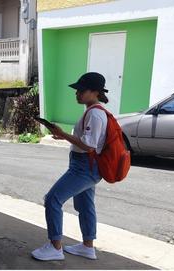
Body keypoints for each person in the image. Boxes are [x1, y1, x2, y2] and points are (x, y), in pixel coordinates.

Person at [31, 72, 110, 261]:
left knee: (52, 199)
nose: (77, 94)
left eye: (81, 90)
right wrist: (63, 135)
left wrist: (64, 135)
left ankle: (55, 247)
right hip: (85, 165)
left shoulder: (96, 114)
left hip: (85, 167)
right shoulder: (92, 111)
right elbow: (85, 141)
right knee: (85, 205)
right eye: (77, 91)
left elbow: (89, 146)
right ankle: (87, 247)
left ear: (95, 92)